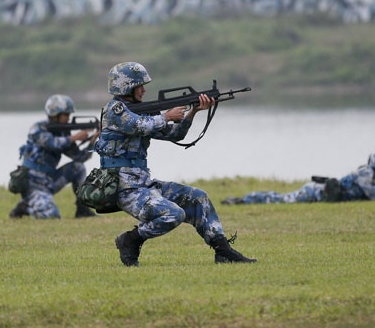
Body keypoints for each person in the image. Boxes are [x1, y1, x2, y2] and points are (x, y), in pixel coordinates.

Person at [94, 62, 256, 266]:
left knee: (198, 198)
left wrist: (193, 112)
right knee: (173, 214)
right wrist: (166, 116)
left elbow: (174, 134)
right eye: (140, 85)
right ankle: (130, 240)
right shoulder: (114, 111)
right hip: (124, 189)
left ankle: (223, 251)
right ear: (126, 87)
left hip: (143, 185)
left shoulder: (141, 112)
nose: (144, 90)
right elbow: (139, 126)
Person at [221, 147, 375, 205]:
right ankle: (243, 200)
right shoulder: (366, 174)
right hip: (315, 193)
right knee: (279, 199)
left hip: (322, 193)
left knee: (279, 197)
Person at [9, 94, 98, 219]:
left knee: (78, 167)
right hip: (33, 183)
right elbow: (51, 144)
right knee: (52, 216)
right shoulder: (38, 129)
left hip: (49, 180)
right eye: (66, 115)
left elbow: (79, 157)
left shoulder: (63, 132)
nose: (68, 118)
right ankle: (25, 206)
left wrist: (93, 141)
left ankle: (83, 210)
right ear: (55, 114)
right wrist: (75, 137)